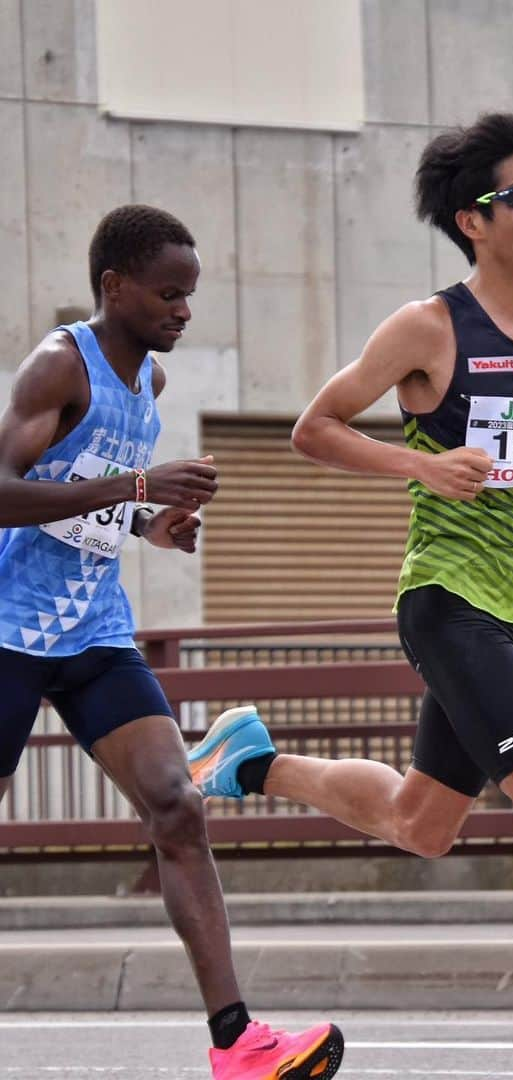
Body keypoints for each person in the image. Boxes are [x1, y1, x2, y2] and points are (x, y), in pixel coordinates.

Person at [187, 114, 513, 1080]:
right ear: (475, 221)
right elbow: (316, 428)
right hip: (446, 597)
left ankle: (252, 763)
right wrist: (418, 468)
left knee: (422, 824)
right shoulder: (428, 328)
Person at [0, 205, 343, 1080]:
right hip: (8, 630)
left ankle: (238, 1041)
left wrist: (151, 524)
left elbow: (90, 496)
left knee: (177, 807)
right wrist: (140, 483)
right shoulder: (57, 364)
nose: (184, 311)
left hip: (94, 630)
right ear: (114, 287)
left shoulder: (147, 383)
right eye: (168, 293)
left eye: (190, 295)